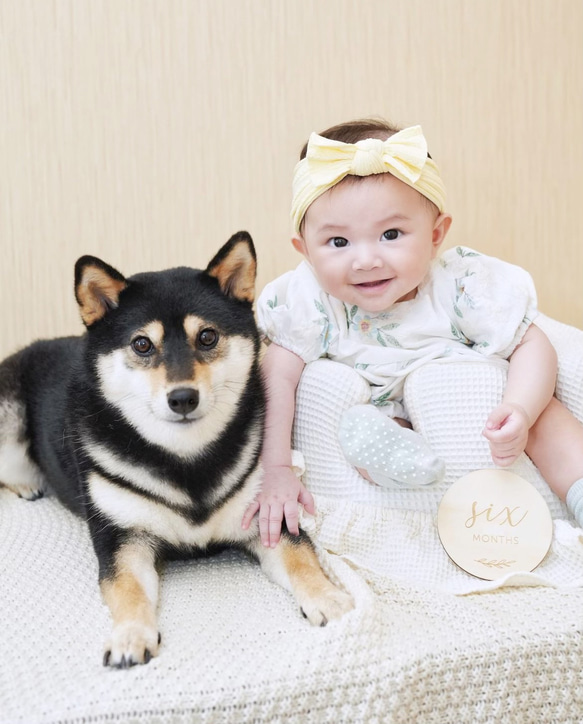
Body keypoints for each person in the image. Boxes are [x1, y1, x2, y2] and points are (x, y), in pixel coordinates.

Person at [241, 118, 583, 548]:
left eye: (391, 234)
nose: (365, 260)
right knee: (361, 428)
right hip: (387, 413)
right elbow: (275, 377)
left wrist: (521, 407)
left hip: (479, 410)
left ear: (436, 234)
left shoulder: (460, 285)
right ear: (305, 251)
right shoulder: (311, 302)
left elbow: (533, 342)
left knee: (548, 416)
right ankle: (412, 485)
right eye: (338, 243)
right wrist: (276, 470)